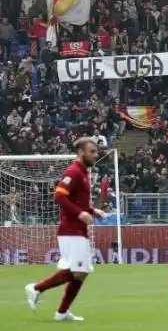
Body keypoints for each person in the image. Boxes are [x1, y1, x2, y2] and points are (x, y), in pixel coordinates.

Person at [25, 137, 107, 321]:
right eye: (91, 151)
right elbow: (59, 197)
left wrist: (93, 211)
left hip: (79, 230)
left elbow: (77, 201)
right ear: (80, 152)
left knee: (82, 273)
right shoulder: (74, 171)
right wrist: (80, 214)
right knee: (77, 271)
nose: (95, 155)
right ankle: (36, 288)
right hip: (71, 230)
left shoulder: (85, 173)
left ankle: (62, 312)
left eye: (96, 151)